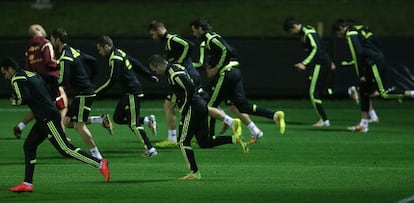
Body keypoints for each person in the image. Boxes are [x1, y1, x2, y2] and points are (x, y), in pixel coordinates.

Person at [1, 58, 110, 193]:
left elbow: (23, 98)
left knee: (65, 149)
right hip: (44, 117)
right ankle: (27, 183)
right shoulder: (30, 73)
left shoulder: (16, 79)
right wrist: (52, 98)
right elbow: (53, 80)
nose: (4, 76)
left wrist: (13, 101)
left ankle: (99, 163)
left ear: (10, 69)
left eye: (4, 73)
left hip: (47, 118)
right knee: (29, 145)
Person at [148, 54, 248, 180]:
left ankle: (194, 172)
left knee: (183, 142)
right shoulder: (177, 67)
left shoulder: (174, 75)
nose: (155, 72)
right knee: (204, 141)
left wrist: (184, 106)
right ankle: (235, 139)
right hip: (200, 106)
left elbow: (190, 89)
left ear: (158, 65)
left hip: (193, 108)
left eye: (154, 70)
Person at [190, 18, 286, 138]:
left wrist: (217, 67)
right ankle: (275, 116)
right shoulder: (209, 39)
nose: (193, 34)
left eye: (194, 31)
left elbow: (226, 50)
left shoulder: (210, 38)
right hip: (234, 72)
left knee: (209, 105)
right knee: (242, 106)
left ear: (200, 28)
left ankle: (210, 136)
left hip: (227, 73)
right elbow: (204, 61)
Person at [332, 19, 414, 132]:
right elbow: (375, 42)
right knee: (363, 91)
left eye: (337, 33)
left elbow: (357, 54)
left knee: (383, 93)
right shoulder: (361, 27)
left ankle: (412, 93)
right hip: (375, 59)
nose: (339, 36)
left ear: (341, 28)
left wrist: (361, 73)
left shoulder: (350, 34)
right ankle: (363, 124)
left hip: (373, 62)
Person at [95, 35, 158, 157]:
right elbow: (135, 63)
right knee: (118, 118)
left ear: (107, 46)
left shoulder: (115, 59)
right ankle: (147, 120)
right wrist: (149, 76)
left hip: (132, 93)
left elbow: (113, 80)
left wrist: (97, 93)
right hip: (127, 94)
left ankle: (151, 149)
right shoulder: (120, 53)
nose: (99, 52)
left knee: (133, 124)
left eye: (100, 49)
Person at [192, 39, 265, 143]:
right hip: (225, 77)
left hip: (224, 77)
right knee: (232, 106)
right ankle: (254, 129)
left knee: (208, 104)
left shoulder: (214, 51)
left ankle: (228, 122)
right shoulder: (216, 51)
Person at [50, 28, 104, 160]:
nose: (51, 42)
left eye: (52, 39)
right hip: (83, 92)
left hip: (83, 94)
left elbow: (63, 79)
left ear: (57, 39)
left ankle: (97, 156)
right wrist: (89, 80)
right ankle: (100, 119)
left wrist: (50, 89)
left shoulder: (64, 57)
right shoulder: (74, 51)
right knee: (68, 122)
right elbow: (93, 61)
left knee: (79, 125)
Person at [148, 20, 202, 148]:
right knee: (195, 103)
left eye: (153, 34)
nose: (153, 37)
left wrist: (180, 62)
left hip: (185, 76)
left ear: (158, 29)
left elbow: (189, 45)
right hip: (185, 76)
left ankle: (172, 138)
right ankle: (229, 121)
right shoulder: (167, 42)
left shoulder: (171, 38)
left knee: (170, 105)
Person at [13, 24, 68, 140]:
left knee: (40, 106)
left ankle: (20, 126)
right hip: (50, 79)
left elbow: (28, 67)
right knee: (62, 105)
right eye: (40, 27)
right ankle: (62, 133)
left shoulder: (29, 47)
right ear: (37, 30)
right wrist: (62, 63)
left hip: (37, 81)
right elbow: (49, 61)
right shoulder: (45, 43)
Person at [283, 17, 336, 127]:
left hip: (320, 64)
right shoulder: (306, 32)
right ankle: (350, 91)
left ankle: (324, 120)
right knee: (320, 90)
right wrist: (330, 61)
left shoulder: (308, 33)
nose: (291, 34)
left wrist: (304, 63)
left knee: (313, 92)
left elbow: (316, 48)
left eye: (290, 31)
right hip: (321, 63)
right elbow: (320, 47)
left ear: (294, 26)